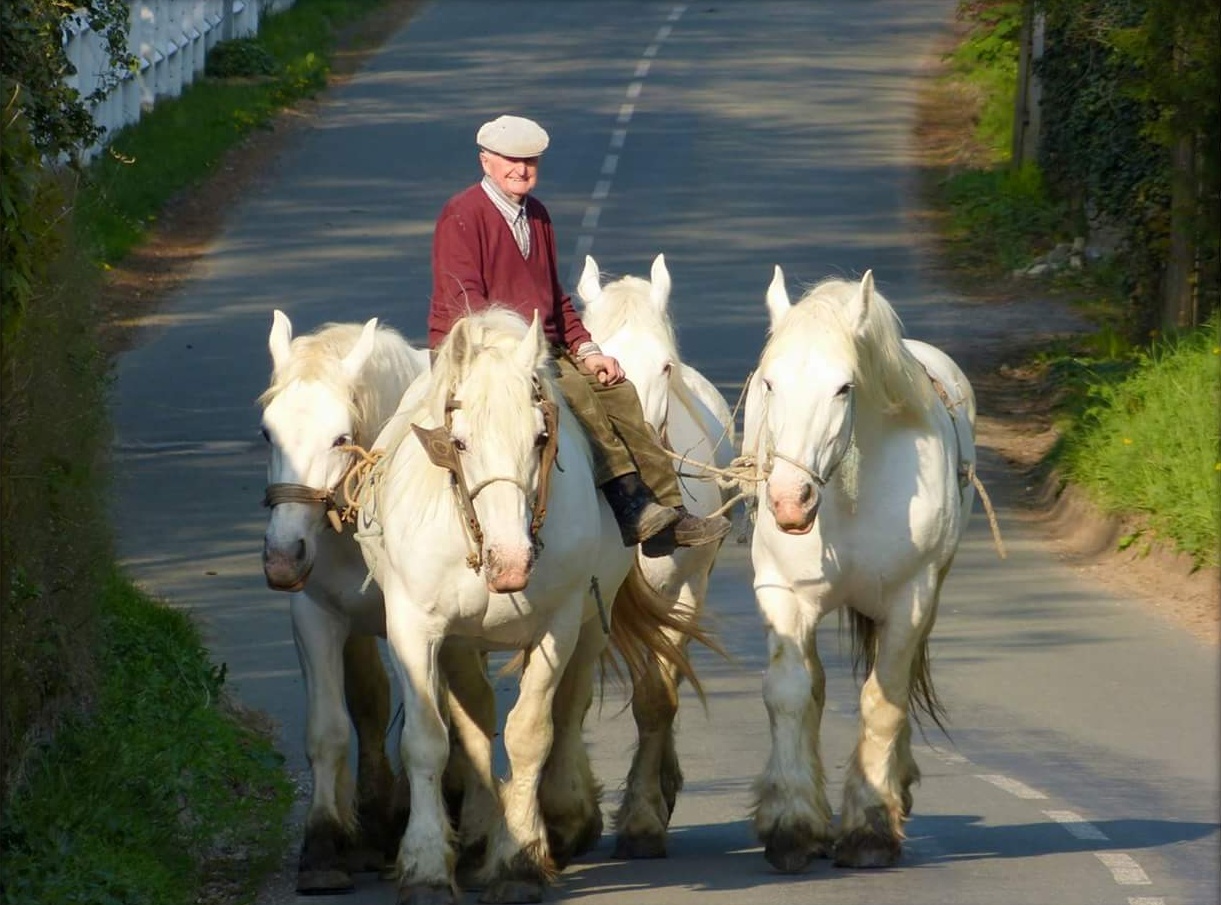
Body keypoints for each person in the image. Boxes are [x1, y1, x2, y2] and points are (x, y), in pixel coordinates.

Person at [427, 114, 731, 558]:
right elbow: (464, 302)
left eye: (530, 160)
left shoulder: (538, 216)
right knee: (579, 399)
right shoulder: (463, 213)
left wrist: (589, 351)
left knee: (620, 391)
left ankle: (666, 511)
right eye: (511, 160)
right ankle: (629, 506)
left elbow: (555, 298)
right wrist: (517, 348)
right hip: (480, 351)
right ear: (486, 161)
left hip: (536, 346)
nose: (521, 169)